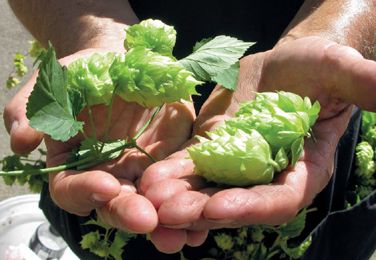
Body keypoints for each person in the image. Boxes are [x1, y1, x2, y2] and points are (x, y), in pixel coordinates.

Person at [4, 0, 376, 259]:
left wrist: (339, 30)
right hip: (114, 122)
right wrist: (91, 31)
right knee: (114, 218)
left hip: (311, 106)